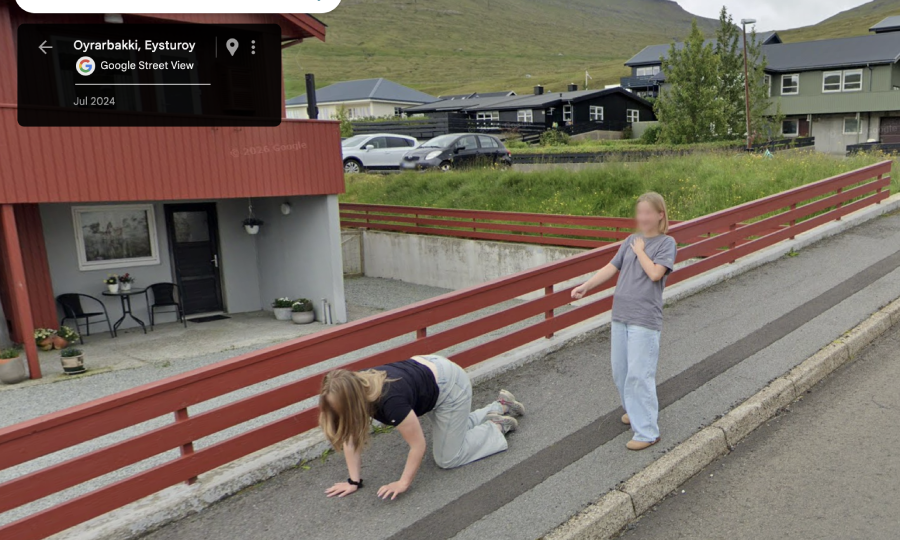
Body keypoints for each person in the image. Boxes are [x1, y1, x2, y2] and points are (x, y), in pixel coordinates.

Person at [319, 354, 525, 500]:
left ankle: (496, 426)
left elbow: (418, 446)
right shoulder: (354, 383)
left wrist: (403, 483)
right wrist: (353, 482)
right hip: (430, 371)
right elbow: (350, 434)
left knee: (448, 457)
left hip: (450, 384)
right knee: (451, 433)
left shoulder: (391, 402)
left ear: (353, 402)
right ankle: (500, 405)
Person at [571, 192, 677, 451]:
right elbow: (611, 267)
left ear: (660, 215)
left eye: (648, 213)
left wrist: (641, 251)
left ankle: (647, 431)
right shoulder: (630, 240)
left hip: (644, 318)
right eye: (639, 213)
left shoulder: (666, 243)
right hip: (621, 315)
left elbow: (654, 274)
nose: (642, 218)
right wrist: (586, 286)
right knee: (621, 372)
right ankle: (634, 409)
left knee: (640, 375)